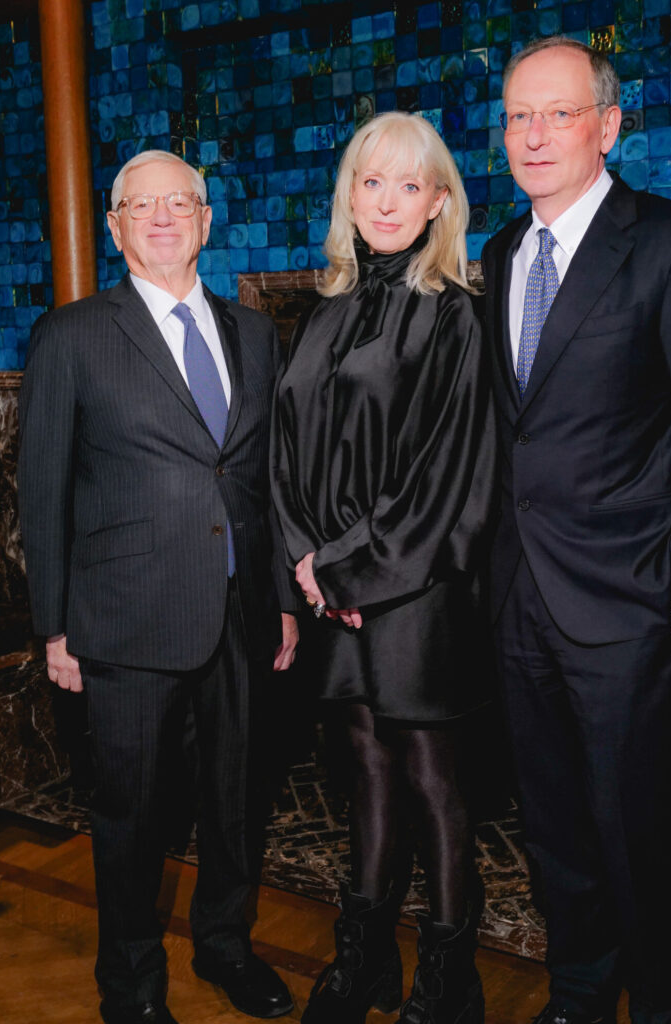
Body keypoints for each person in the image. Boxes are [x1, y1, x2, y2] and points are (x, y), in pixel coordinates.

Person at [481, 37, 671, 1024]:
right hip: (520, 606)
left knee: (638, 838)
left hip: (630, 607)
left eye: (557, 113)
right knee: (551, 833)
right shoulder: (503, 252)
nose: (533, 134)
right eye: (517, 115)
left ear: (608, 125)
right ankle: (578, 999)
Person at [17, 149, 298, 1024]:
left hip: (243, 613)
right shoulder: (71, 334)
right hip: (125, 623)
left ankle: (225, 947)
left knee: (236, 804)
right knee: (130, 818)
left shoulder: (254, 333)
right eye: (143, 207)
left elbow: (269, 477)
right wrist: (55, 628)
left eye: (181, 203)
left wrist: (285, 598)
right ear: (116, 227)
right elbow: (42, 488)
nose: (164, 218)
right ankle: (131, 990)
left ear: (208, 220)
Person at [271, 111, 495, 1024]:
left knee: (430, 780)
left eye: (410, 184)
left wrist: (353, 572)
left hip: (413, 588)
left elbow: (450, 475)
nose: (388, 201)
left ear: (440, 201)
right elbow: (282, 457)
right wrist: (307, 562)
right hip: (329, 583)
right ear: (349, 196)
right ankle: (360, 961)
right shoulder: (322, 311)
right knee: (357, 769)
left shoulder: (455, 318)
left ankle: (447, 982)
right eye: (372, 182)